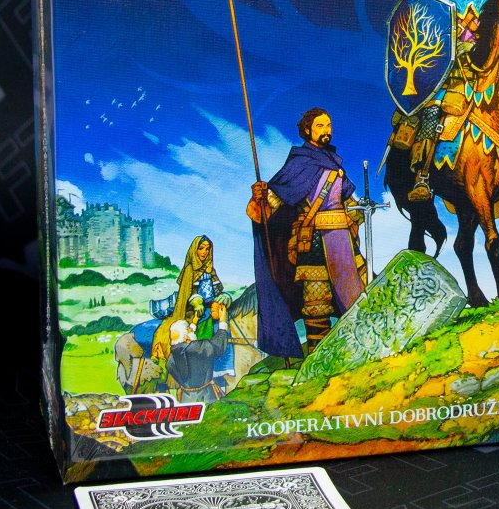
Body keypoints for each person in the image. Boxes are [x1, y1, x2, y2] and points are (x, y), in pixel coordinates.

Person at [248, 109, 367, 358]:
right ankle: (317, 359)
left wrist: (361, 211)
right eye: (320, 125)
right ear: (307, 129)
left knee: (358, 294)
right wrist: (261, 198)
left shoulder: (334, 163)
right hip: (313, 242)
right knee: (316, 303)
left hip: (344, 244)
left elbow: (347, 202)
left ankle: (356, 352)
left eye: (328, 125)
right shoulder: (299, 163)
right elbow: (274, 201)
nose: (326, 130)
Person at [405, 0, 490, 201]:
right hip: (444, 77)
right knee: (432, 112)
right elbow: (422, 40)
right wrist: (453, 47)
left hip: (479, 73)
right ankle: (422, 177)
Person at [150, 235, 224, 362]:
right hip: (192, 310)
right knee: (204, 322)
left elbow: (217, 289)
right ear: (195, 250)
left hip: (210, 306)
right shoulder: (190, 270)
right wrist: (196, 302)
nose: (204, 252)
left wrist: (223, 298)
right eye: (201, 248)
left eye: (207, 249)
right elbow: (186, 293)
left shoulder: (210, 270)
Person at [166, 296, 230, 403]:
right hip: (206, 397)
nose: (191, 330)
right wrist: (223, 321)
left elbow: (188, 340)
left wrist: (194, 322)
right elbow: (219, 346)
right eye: (189, 329)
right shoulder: (199, 348)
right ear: (186, 337)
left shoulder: (171, 360)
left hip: (186, 399)